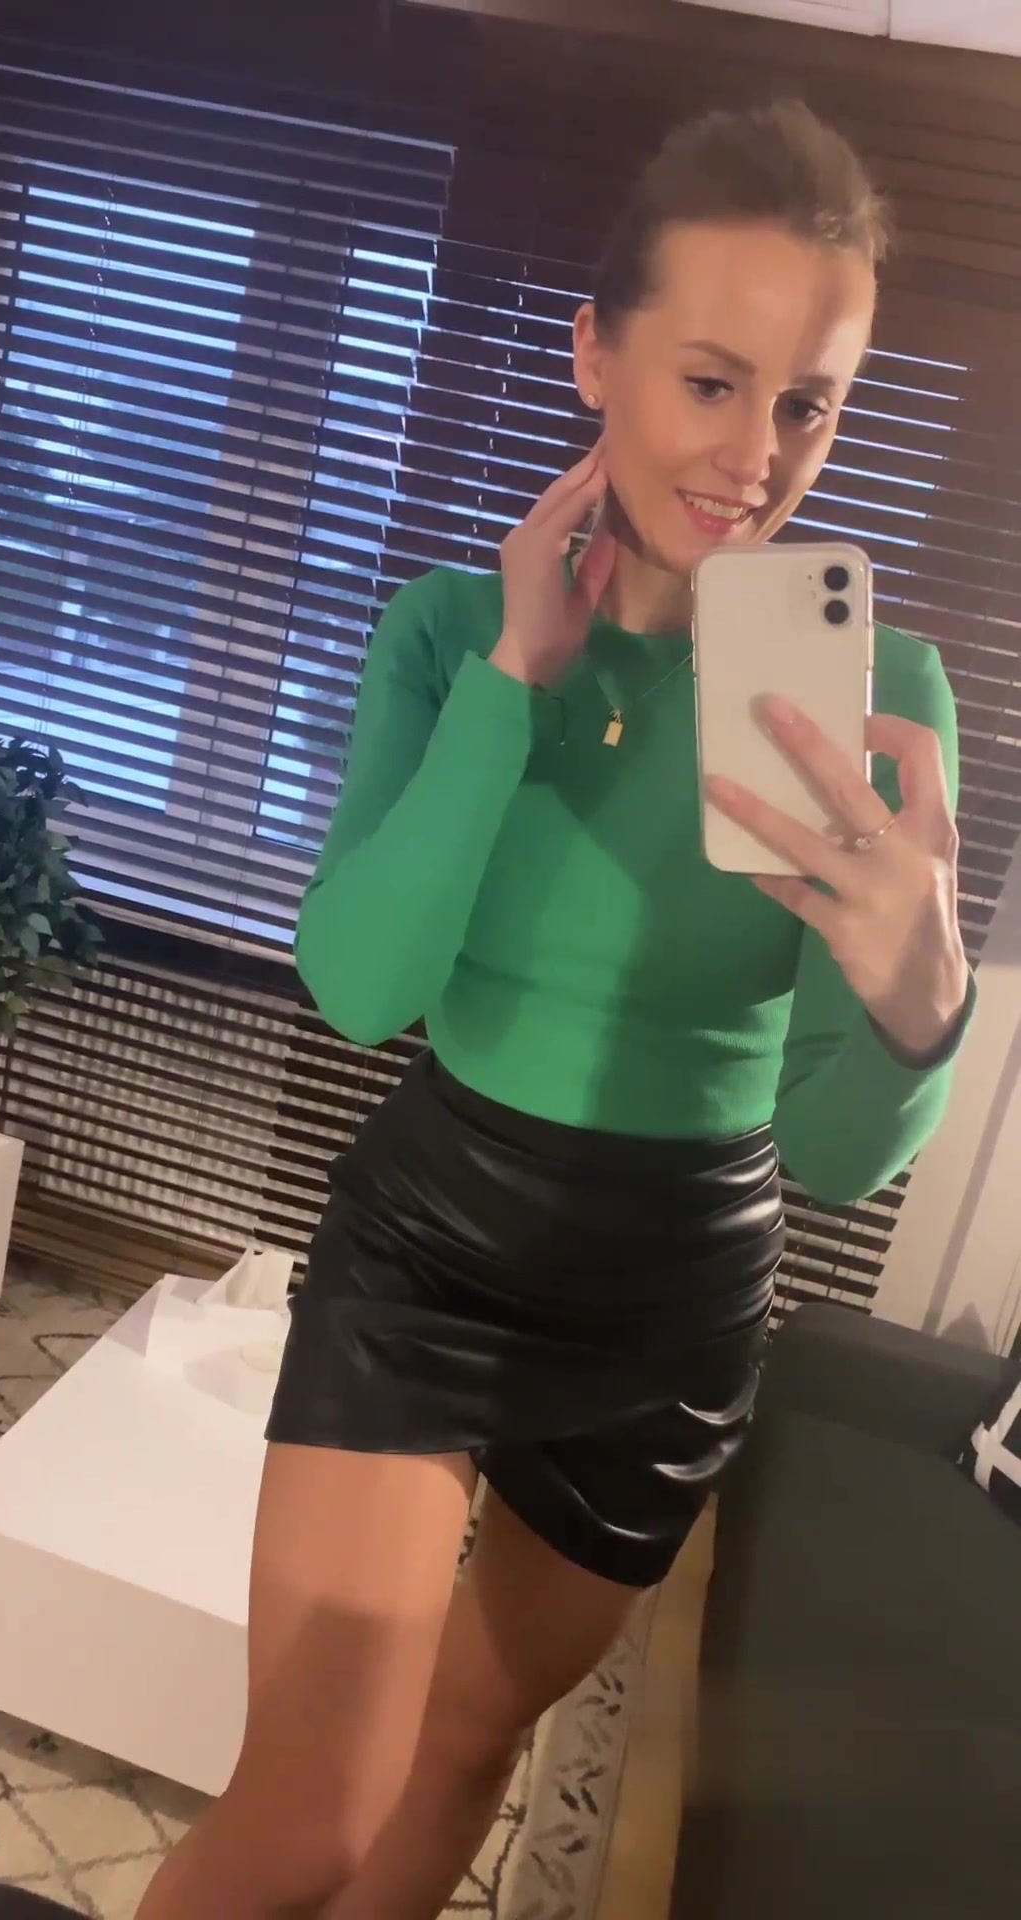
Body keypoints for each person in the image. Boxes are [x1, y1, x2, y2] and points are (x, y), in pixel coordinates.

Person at [127, 98, 973, 1920]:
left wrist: (924, 998)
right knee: (308, 1817)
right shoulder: (448, 634)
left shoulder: (884, 695)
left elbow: (834, 1157)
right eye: (712, 382)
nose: (755, 457)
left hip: (674, 1299)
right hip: (432, 1249)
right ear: (595, 353)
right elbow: (360, 986)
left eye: (808, 404)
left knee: (462, 1749)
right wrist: (518, 676)